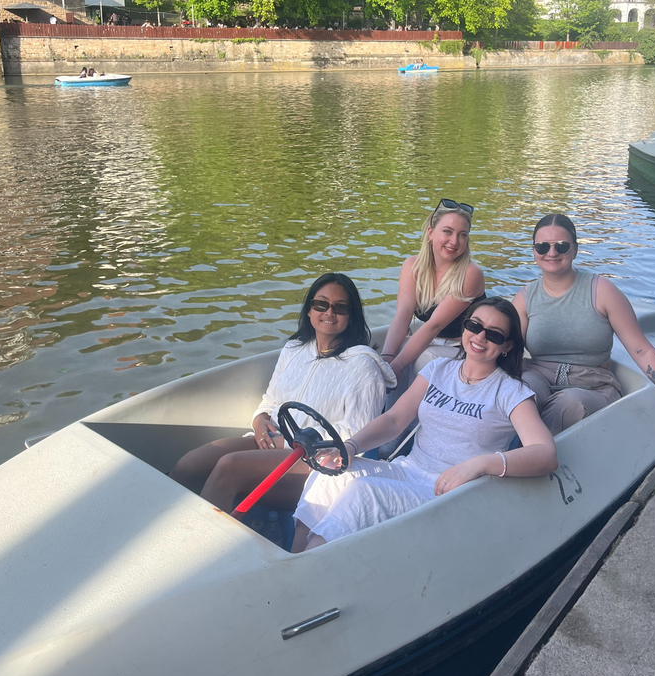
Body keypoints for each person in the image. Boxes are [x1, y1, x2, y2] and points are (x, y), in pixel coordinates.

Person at [291, 297, 558, 551]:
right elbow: (395, 420)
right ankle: (295, 558)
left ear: (507, 346)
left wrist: (480, 463)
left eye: (494, 334)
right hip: (409, 471)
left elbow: (545, 454)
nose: (480, 337)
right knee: (330, 471)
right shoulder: (438, 369)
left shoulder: (510, 392)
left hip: (449, 493)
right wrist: (350, 446)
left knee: (364, 492)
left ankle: (305, 573)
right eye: (474, 326)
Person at [169, 273, 397, 513]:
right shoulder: (294, 349)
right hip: (271, 445)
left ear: (351, 318)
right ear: (309, 310)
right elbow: (270, 401)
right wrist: (259, 421)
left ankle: (203, 544)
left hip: (317, 464)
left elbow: (356, 433)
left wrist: (288, 442)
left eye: (340, 308)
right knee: (189, 464)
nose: (329, 313)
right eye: (321, 304)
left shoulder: (363, 366)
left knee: (229, 467)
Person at [513, 213, 655, 435]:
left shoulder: (602, 291)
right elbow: (507, 349)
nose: (551, 253)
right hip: (538, 375)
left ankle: (531, 460)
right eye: (542, 247)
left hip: (591, 384)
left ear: (575, 249)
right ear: (534, 251)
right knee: (520, 393)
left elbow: (641, 350)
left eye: (561, 246)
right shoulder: (524, 298)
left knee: (567, 404)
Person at [380, 199, 486, 386]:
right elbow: (403, 315)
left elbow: (434, 325)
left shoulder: (470, 273)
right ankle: (389, 414)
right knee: (393, 354)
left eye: (462, 235)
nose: (454, 241)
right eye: (447, 231)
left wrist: (395, 368)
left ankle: (412, 414)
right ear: (430, 232)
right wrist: (386, 358)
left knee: (423, 358)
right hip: (434, 342)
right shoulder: (412, 266)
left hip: (465, 348)